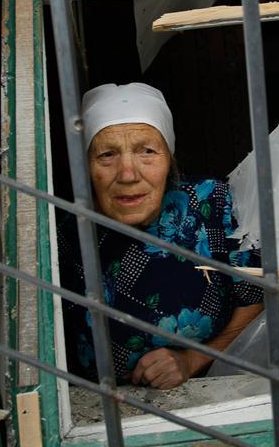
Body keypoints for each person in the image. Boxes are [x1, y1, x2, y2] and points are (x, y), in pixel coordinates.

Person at [57, 82, 263, 389]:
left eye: (147, 151)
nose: (128, 174)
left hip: (220, 393)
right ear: (86, 167)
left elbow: (256, 298)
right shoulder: (65, 232)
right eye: (107, 155)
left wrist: (191, 360)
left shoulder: (211, 202)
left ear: (170, 160)